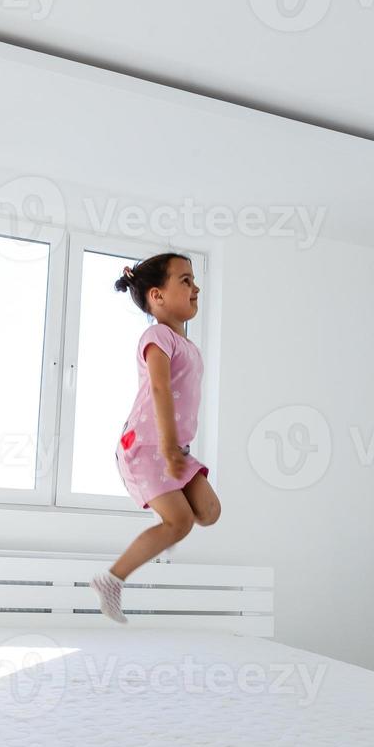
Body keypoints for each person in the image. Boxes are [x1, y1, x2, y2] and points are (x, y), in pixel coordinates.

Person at [91, 253, 221, 623]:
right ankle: (111, 579)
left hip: (173, 447)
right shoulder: (157, 336)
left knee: (209, 512)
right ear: (157, 296)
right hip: (147, 445)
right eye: (185, 280)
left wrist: (174, 447)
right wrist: (166, 445)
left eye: (194, 279)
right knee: (179, 522)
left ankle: (166, 536)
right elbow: (160, 387)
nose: (196, 287)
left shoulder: (187, 345)